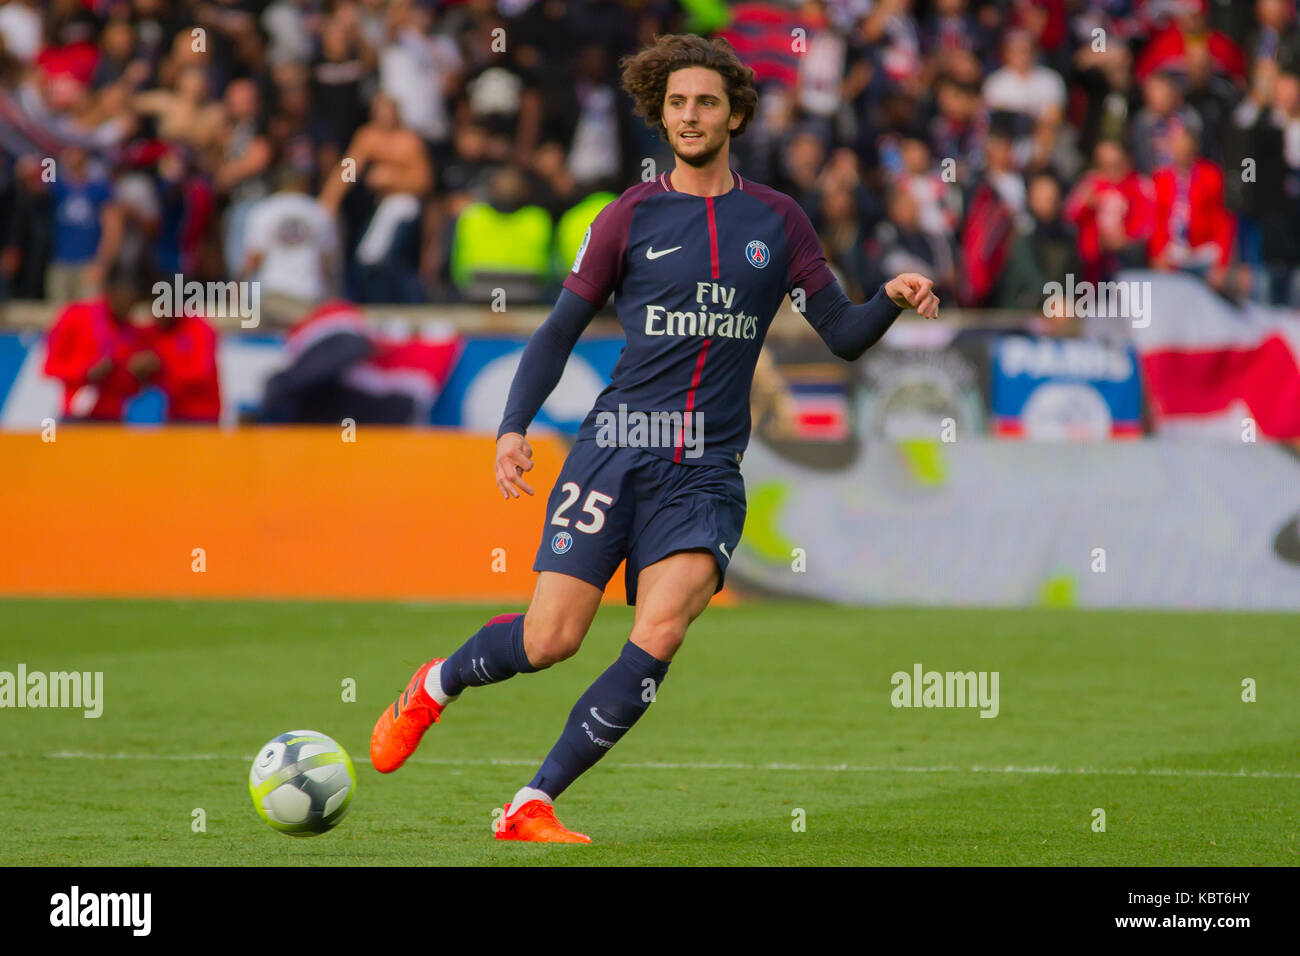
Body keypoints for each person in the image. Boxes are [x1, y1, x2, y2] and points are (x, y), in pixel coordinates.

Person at [367, 34, 939, 844]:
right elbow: (558, 331)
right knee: (549, 638)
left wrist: (888, 297)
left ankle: (533, 802)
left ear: (735, 113)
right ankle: (435, 684)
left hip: (706, 471)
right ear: (659, 116)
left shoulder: (778, 220)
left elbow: (841, 334)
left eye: (706, 102)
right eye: (677, 103)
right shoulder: (627, 217)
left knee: (661, 628)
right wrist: (511, 429)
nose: (691, 115)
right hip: (615, 451)